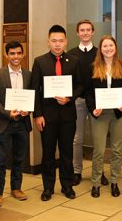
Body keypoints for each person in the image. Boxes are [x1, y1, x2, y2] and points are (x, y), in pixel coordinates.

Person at [31, 25, 83, 201]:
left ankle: (67, 186)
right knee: (48, 153)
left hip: (68, 116)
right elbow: (34, 90)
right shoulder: (40, 62)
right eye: (54, 41)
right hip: (47, 116)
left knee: (67, 152)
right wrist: (37, 115)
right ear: (48, 42)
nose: (57, 44)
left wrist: (70, 97)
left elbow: (80, 85)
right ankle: (48, 188)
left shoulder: (74, 61)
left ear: (66, 41)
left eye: (61, 41)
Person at [85, 35, 122, 198]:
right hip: (100, 114)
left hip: (117, 113)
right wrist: (93, 109)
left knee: (117, 150)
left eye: (111, 46)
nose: (108, 49)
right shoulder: (93, 67)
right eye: (105, 46)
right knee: (98, 150)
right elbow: (88, 92)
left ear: (115, 47)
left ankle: (114, 182)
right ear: (100, 49)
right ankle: (96, 183)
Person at [0, 41, 32, 207]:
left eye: (18, 53)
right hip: (4, 123)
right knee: (1, 159)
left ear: (23, 54)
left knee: (20, 158)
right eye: (12, 53)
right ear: (6, 55)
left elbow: (31, 97)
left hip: (22, 123)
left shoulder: (28, 75)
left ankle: (16, 188)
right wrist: (7, 113)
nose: (16, 56)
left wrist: (28, 109)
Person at [67, 19, 109, 187]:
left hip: (97, 102)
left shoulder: (101, 53)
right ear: (77, 33)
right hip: (77, 101)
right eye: (81, 30)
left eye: (88, 30)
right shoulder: (70, 54)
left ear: (93, 32)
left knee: (98, 139)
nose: (85, 33)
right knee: (77, 139)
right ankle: (77, 171)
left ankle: (100, 171)